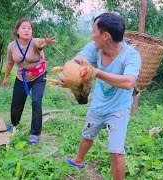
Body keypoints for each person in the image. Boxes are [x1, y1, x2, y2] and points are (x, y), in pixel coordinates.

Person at [59, 13, 141, 180]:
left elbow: (128, 82)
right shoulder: (94, 47)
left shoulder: (131, 55)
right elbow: (77, 60)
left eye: (94, 31)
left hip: (119, 108)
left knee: (116, 151)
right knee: (88, 132)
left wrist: (97, 73)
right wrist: (67, 75)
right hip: (99, 103)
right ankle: (79, 159)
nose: (92, 35)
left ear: (105, 36)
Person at [3, 18, 55, 144]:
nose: (27, 30)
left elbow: (40, 43)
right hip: (22, 77)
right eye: (23, 28)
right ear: (17, 31)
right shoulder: (12, 46)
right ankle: (14, 123)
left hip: (39, 76)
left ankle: (35, 133)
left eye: (29, 28)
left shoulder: (34, 42)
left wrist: (45, 42)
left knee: (36, 101)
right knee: (17, 103)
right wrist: (5, 77)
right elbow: (10, 62)